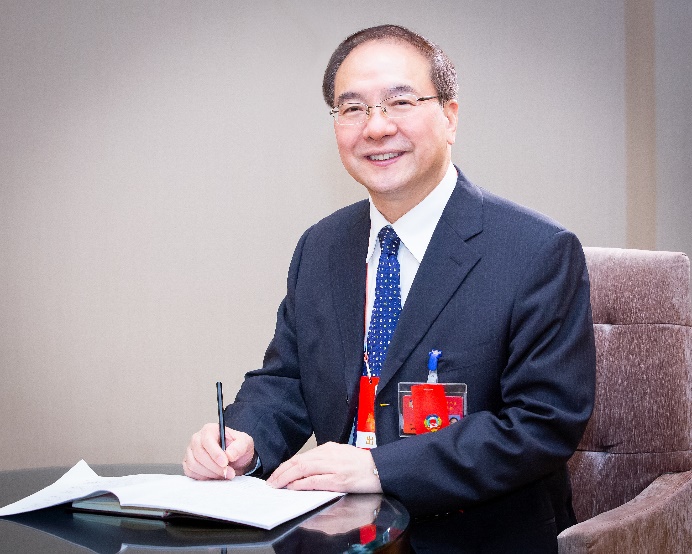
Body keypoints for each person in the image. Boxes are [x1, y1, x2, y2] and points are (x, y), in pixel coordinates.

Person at [183, 24, 596, 552]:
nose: (376, 127)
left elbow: (542, 424)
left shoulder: (536, 251)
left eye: (400, 102)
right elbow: (288, 379)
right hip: (336, 533)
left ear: (449, 116)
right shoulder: (322, 245)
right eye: (352, 108)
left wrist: (379, 467)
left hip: (474, 537)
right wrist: (243, 441)